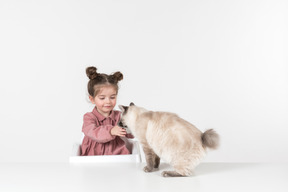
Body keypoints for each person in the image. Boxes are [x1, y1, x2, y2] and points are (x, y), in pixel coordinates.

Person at [81, 66, 134, 156]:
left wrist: (133, 125)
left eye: (112, 97)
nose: (108, 101)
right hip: (94, 154)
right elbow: (93, 132)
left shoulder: (119, 116)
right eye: (102, 98)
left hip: (116, 152)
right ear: (92, 99)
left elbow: (130, 134)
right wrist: (111, 131)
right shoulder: (89, 117)